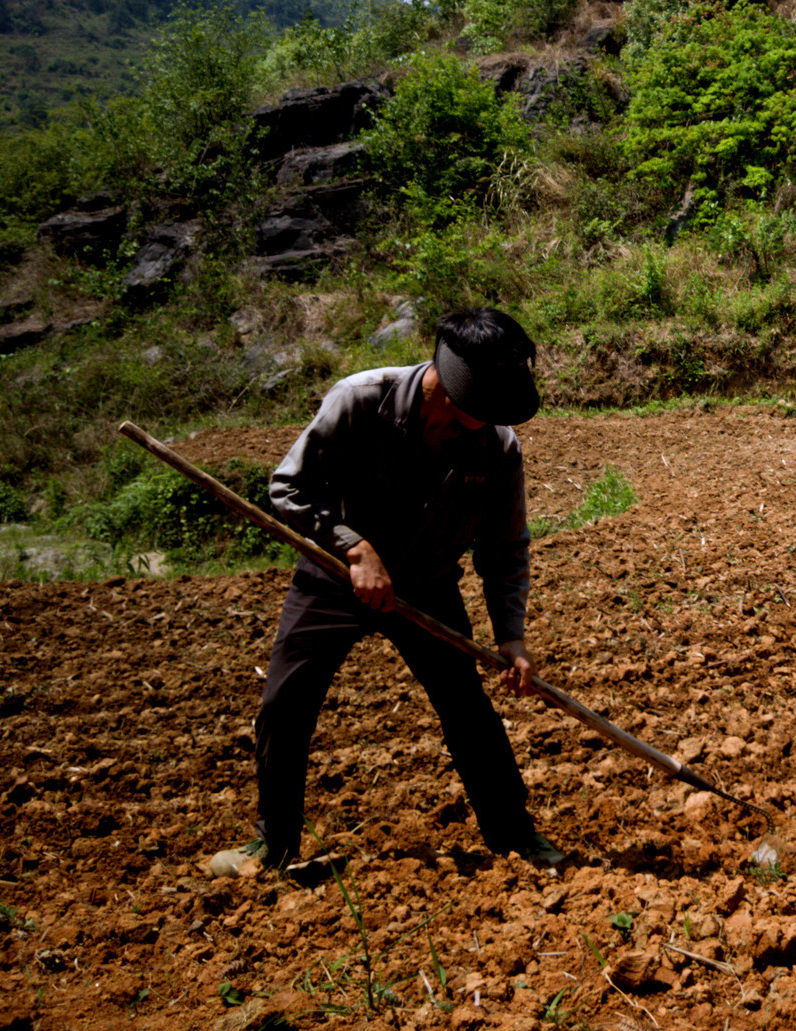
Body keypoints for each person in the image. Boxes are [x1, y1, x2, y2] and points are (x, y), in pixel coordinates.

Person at [213, 306, 565, 877]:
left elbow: (504, 548)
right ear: (448, 387)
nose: (492, 420)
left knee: (468, 711)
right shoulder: (358, 400)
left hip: (427, 586)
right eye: (483, 408)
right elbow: (288, 486)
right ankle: (272, 845)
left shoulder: (498, 447)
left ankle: (515, 835)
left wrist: (512, 636)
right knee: (284, 706)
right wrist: (354, 547)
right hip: (330, 579)